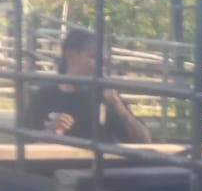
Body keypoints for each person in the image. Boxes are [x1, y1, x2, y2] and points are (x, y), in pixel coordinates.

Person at [23, 28, 151, 143]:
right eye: (93, 57)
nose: (100, 66)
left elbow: (145, 142)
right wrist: (50, 134)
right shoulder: (44, 96)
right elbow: (24, 147)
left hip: (99, 168)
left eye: (103, 61)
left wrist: (117, 105)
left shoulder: (107, 97)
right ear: (70, 56)